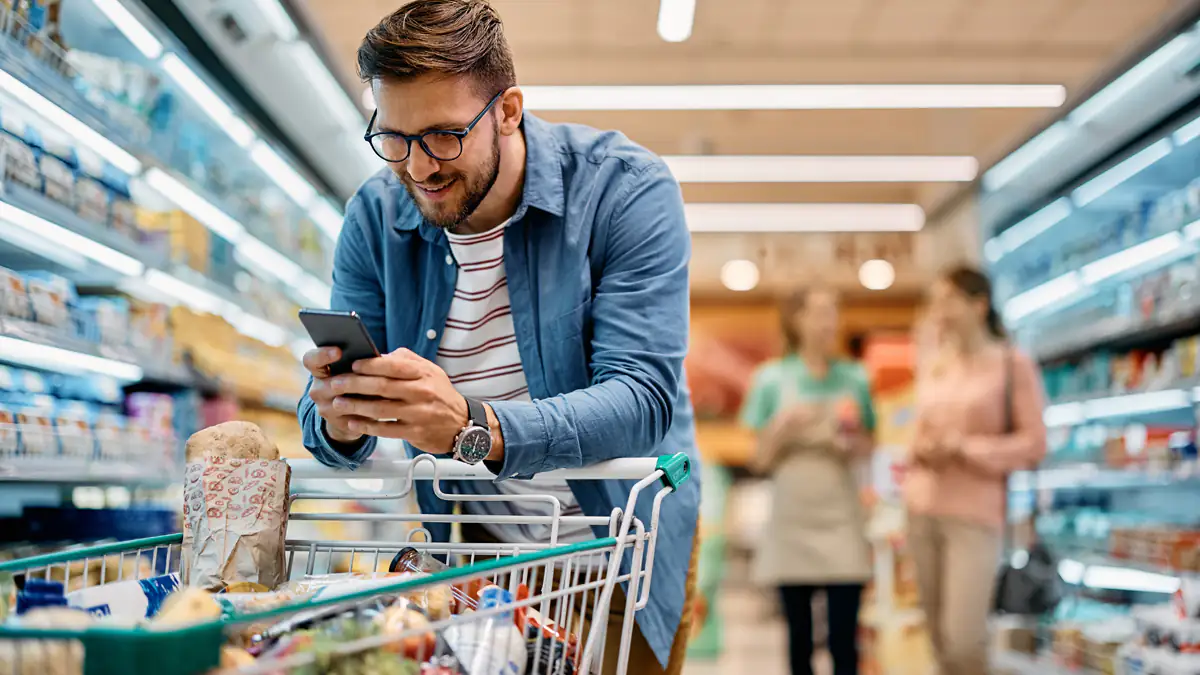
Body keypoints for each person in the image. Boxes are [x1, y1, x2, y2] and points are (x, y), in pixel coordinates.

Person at [295, 1, 701, 673]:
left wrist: (470, 427)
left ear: (508, 110)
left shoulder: (624, 190)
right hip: (483, 559)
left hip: (623, 551)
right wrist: (341, 416)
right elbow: (323, 427)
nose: (419, 167)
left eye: (443, 136)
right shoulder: (374, 217)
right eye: (394, 137)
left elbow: (642, 401)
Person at [906, 266, 1047, 675]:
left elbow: (1034, 443)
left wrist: (966, 448)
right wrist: (923, 448)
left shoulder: (1012, 365)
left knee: (964, 638)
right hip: (922, 508)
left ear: (979, 305)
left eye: (949, 301)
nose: (940, 312)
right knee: (938, 638)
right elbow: (917, 431)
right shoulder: (937, 364)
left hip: (975, 514)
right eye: (935, 303)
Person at [740, 288, 876, 675]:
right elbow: (758, 459)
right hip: (792, 518)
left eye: (833, 313)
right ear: (796, 320)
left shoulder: (855, 377)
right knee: (798, 639)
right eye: (819, 313)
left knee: (844, 641)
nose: (828, 323)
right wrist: (782, 428)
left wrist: (848, 441)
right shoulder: (770, 379)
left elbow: (870, 446)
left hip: (841, 514)